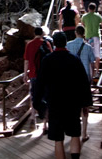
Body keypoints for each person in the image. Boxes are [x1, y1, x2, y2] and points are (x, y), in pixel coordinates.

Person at [37, 31, 93, 159]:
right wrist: (85, 104)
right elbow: (83, 83)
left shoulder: (47, 60)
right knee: (74, 134)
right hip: (73, 104)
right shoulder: (74, 59)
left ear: (54, 44)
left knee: (58, 139)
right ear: (66, 42)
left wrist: (38, 103)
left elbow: (40, 83)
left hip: (55, 103)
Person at [66, 25, 95, 142]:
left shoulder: (68, 45)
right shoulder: (88, 47)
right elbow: (92, 63)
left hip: (71, 78)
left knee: (73, 105)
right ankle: (84, 133)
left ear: (75, 32)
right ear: (84, 33)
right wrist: (92, 77)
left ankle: (73, 131)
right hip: (84, 78)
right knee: (84, 106)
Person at [23, 26, 53, 132]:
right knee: (45, 98)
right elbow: (51, 59)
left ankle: (33, 118)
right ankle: (45, 124)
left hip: (33, 75)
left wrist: (25, 74)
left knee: (33, 96)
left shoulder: (29, 44)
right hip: (45, 76)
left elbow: (26, 60)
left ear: (34, 33)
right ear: (42, 34)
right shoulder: (46, 44)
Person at [81, 2, 102, 78]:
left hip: (88, 37)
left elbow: (82, 26)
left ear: (88, 8)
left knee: (89, 54)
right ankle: (96, 71)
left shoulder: (84, 16)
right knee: (97, 55)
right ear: (95, 9)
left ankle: (89, 71)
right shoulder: (98, 16)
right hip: (96, 37)